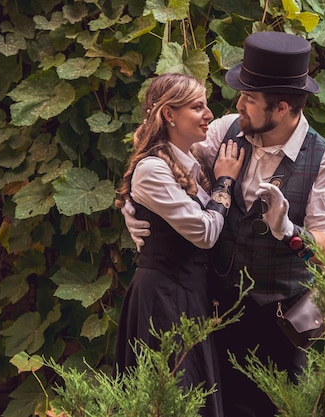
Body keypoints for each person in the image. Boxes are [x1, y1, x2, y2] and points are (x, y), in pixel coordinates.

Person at [123, 32, 325, 417]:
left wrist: (289, 230)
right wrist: (132, 204)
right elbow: (162, 159)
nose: (237, 105)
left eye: (249, 99)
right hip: (216, 315)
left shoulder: (324, 161)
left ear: (280, 107)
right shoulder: (225, 130)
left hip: (280, 328)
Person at [113, 72, 244, 417]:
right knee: (172, 398)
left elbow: (237, 120)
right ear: (169, 114)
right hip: (163, 299)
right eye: (197, 107)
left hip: (189, 295)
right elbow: (204, 232)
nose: (208, 114)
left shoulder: (189, 163)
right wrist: (225, 182)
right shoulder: (153, 169)